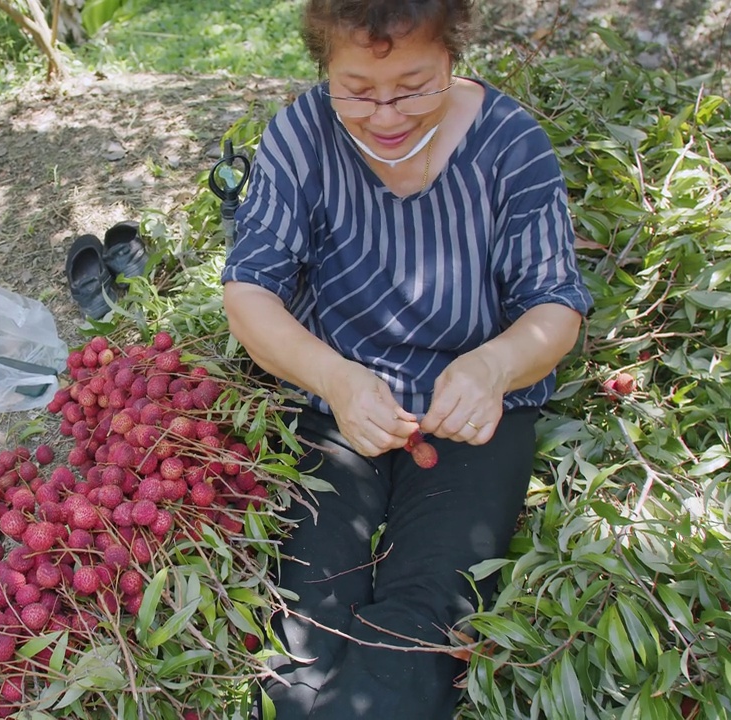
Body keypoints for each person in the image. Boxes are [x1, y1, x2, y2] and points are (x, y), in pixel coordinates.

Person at [220, 1, 593, 717]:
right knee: (302, 622)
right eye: (357, 90)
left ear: (452, 57)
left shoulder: (510, 144)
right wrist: (332, 375)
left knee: (426, 614)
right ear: (324, 68)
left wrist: (493, 367)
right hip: (337, 400)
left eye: (415, 87)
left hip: (475, 411)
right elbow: (249, 292)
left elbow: (556, 304)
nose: (386, 114)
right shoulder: (302, 135)